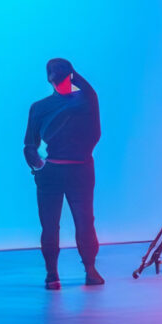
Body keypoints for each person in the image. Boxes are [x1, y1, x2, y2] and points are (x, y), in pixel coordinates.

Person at [24, 58, 102, 289]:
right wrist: (38, 166)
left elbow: (29, 146)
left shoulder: (82, 101)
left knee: (71, 223)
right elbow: (29, 145)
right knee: (77, 222)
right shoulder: (84, 100)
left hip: (71, 169)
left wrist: (38, 166)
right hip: (72, 169)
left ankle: (62, 273)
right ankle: (66, 272)